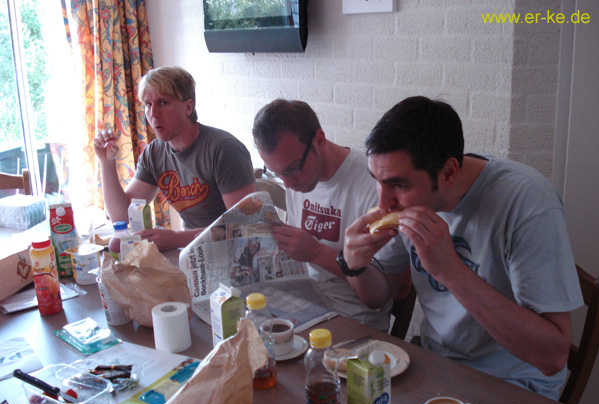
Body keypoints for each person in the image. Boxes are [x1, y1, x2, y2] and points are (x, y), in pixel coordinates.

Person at [341, 96, 584, 398]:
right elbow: (377, 297)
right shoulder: (406, 202)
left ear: (448, 173)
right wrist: (352, 264)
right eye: (377, 180)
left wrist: (451, 271)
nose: (383, 202)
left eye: (399, 185)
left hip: (514, 385)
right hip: (434, 364)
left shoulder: (527, 203)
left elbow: (552, 357)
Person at [252, 99, 391, 331]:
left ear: (319, 140)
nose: (287, 184)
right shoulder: (295, 178)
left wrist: (317, 252)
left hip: (352, 318)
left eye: (292, 169)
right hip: (303, 304)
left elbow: (378, 298)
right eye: (276, 173)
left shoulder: (372, 186)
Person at [94, 66, 255, 250]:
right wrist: (106, 162)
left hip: (233, 252)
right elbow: (121, 216)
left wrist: (177, 238)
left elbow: (244, 226)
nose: (153, 113)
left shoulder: (223, 149)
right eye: (148, 104)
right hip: (193, 251)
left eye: (163, 103)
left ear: (188, 107)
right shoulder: (154, 153)